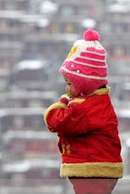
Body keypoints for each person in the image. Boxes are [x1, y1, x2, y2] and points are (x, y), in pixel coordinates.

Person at [44, 29, 124, 194]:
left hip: (92, 168)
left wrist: (61, 104)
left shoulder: (84, 108)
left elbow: (57, 122)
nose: (66, 88)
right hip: (100, 167)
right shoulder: (98, 102)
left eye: (70, 83)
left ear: (85, 84)